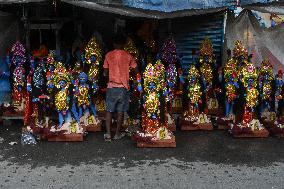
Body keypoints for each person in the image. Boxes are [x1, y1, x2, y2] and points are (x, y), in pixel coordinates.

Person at [103, 34, 138, 141]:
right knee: (120, 111)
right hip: (123, 88)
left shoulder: (108, 55)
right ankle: (117, 134)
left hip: (111, 87)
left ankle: (108, 134)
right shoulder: (128, 56)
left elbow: (105, 72)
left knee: (109, 110)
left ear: (114, 44)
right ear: (124, 44)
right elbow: (136, 70)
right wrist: (135, 81)